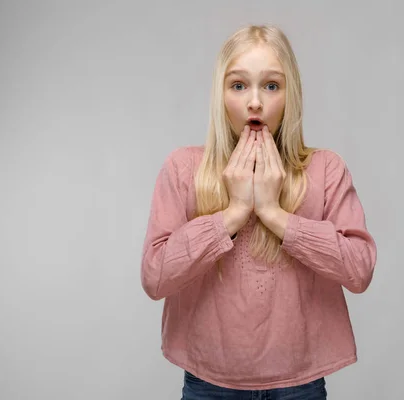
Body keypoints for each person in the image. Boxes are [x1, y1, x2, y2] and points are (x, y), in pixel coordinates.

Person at [140, 24, 377, 399]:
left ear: (291, 94)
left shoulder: (326, 169)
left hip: (300, 386)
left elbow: (360, 270)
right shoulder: (183, 169)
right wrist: (233, 213)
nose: (255, 102)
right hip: (209, 386)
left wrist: (272, 211)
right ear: (220, 95)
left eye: (271, 85)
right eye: (238, 85)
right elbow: (155, 276)